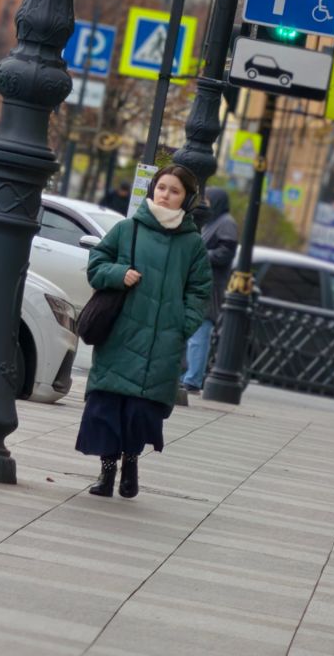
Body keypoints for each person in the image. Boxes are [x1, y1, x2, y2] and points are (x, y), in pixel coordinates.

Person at [78, 163, 212, 500]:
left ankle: (132, 462)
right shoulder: (127, 229)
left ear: (187, 198)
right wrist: (118, 274)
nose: (166, 195)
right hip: (121, 335)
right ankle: (107, 472)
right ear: (153, 189)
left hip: (162, 342)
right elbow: (96, 265)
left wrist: (183, 324)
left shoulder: (192, 244)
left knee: (140, 410)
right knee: (108, 405)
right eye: (162, 187)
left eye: (175, 191)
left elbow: (200, 291)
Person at [181, 185, 238, 392]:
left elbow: (225, 253)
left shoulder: (226, 224)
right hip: (202, 282)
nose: (206, 204)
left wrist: (201, 254)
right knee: (192, 333)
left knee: (200, 333)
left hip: (212, 286)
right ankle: (186, 374)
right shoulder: (213, 222)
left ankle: (193, 379)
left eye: (209, 200)